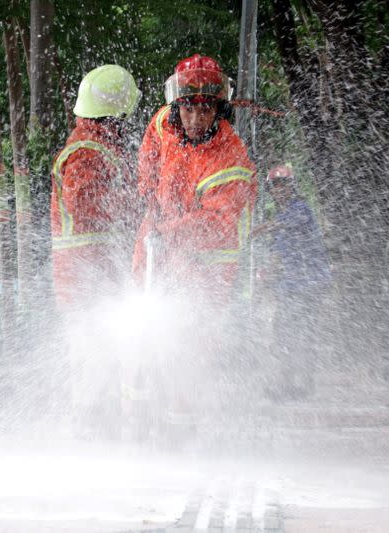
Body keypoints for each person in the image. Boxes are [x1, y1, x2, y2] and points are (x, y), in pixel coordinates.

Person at [132, 54, 257, 306]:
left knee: (194, 336)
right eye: (189, 109)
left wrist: (165, 232)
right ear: (177, 108)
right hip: (159, 249)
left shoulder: (230, 160)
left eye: (205, 110)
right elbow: (150, 152)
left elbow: (216, 222)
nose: (196, 120)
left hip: (208, 269)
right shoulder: (164, 123)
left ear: (218, 110)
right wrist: (149, 197)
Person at [51, 64, 141, 310]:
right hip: (85, 274)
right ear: (117, 114)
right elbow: (81, 202)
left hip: (95, 269)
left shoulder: (98, 144)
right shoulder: (87, 150)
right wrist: (134, 202)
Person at [255, 165, 333, 400]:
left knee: (298, 332)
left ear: (292, 187)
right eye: (274, 187)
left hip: (308, 284)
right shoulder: (282, 218)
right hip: (292, 285)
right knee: (285, 331)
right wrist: (266, 276)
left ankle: (298, 385)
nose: (279, 190)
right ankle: (293, 383)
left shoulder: (301, 209)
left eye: (283, 185)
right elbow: (278, 254)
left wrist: (261, 228)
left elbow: (288, 223)